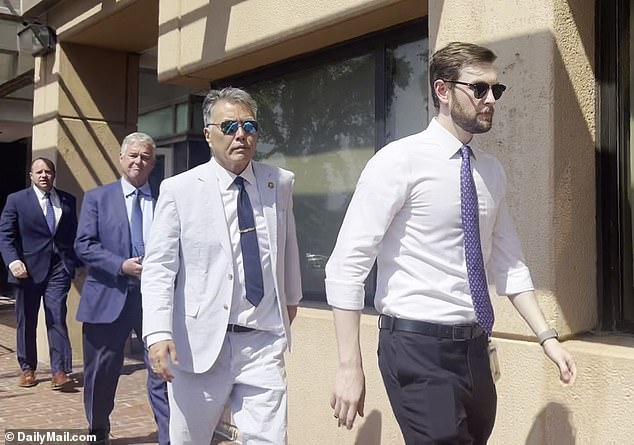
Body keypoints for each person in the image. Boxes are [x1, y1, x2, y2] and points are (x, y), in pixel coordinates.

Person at [325, 42, 577, 445]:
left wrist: (547, 338)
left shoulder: (490, 173)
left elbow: (510, 264)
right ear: (443, 91)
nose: (491, 99)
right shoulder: (398, 161)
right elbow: (347, 265)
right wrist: (348, 365)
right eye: (479, 89)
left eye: (496, 90)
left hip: (476, 350)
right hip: (416, 346)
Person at [142, 87, 302, 444]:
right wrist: (157, 333)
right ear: (208, 134)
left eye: (249, 126)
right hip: (198, 345)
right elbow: (159, 269)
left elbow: (288, 245)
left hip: (262, 341)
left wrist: (291, 298)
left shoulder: (280, 182)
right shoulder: (179, 190)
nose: (241, 134)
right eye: (229, 126)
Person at [74, 132, 169, 445]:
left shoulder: (165, 199)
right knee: (101, 372)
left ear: (152, 163)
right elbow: (84, 245)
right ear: (121, 158)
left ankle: (169, 436)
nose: (138, 162)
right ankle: (98, 430)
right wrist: (120, 264)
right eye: (133, 155)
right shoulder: (98, 198)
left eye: (145, 157)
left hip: (154, 299)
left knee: (162, 369)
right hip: (108, 295)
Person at [0, 157, 81, 390]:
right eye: (39, 172)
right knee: (27, 319)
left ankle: (60, 371)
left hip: (58, 269)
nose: (44, 175)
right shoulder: (16, 200)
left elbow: (71, 235)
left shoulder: (67, 199)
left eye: (48, 171)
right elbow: (5, 235)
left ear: (54, 175)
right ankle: (28, 369)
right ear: (31, 176)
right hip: (27, 270)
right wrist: (13, 261)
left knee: (56, 316)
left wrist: (72, 263)